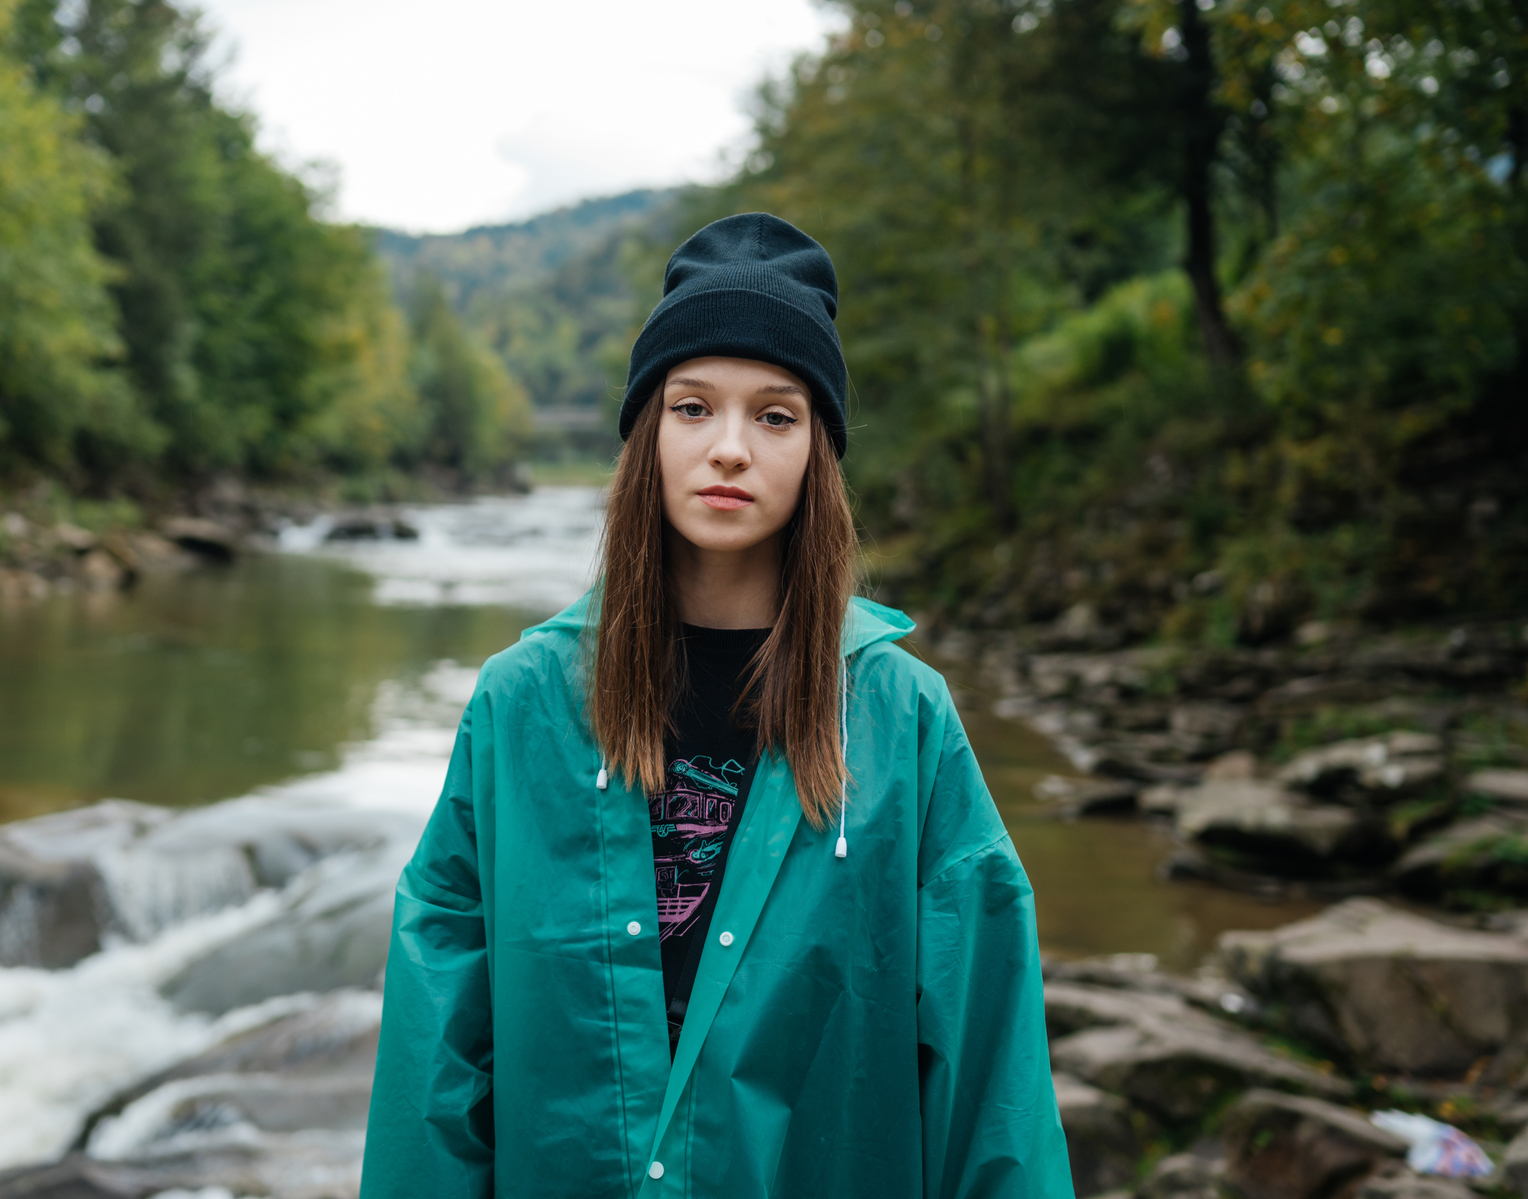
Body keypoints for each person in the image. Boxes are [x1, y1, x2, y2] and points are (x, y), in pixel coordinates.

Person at [362, 213, 1073, 1198]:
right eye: (692, 407)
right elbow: (437, 1058)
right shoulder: (519, 709)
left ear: (816, 448)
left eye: (773, 415)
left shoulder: (901, 720)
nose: (728, 448)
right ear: (646, 432)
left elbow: (987, 1063)